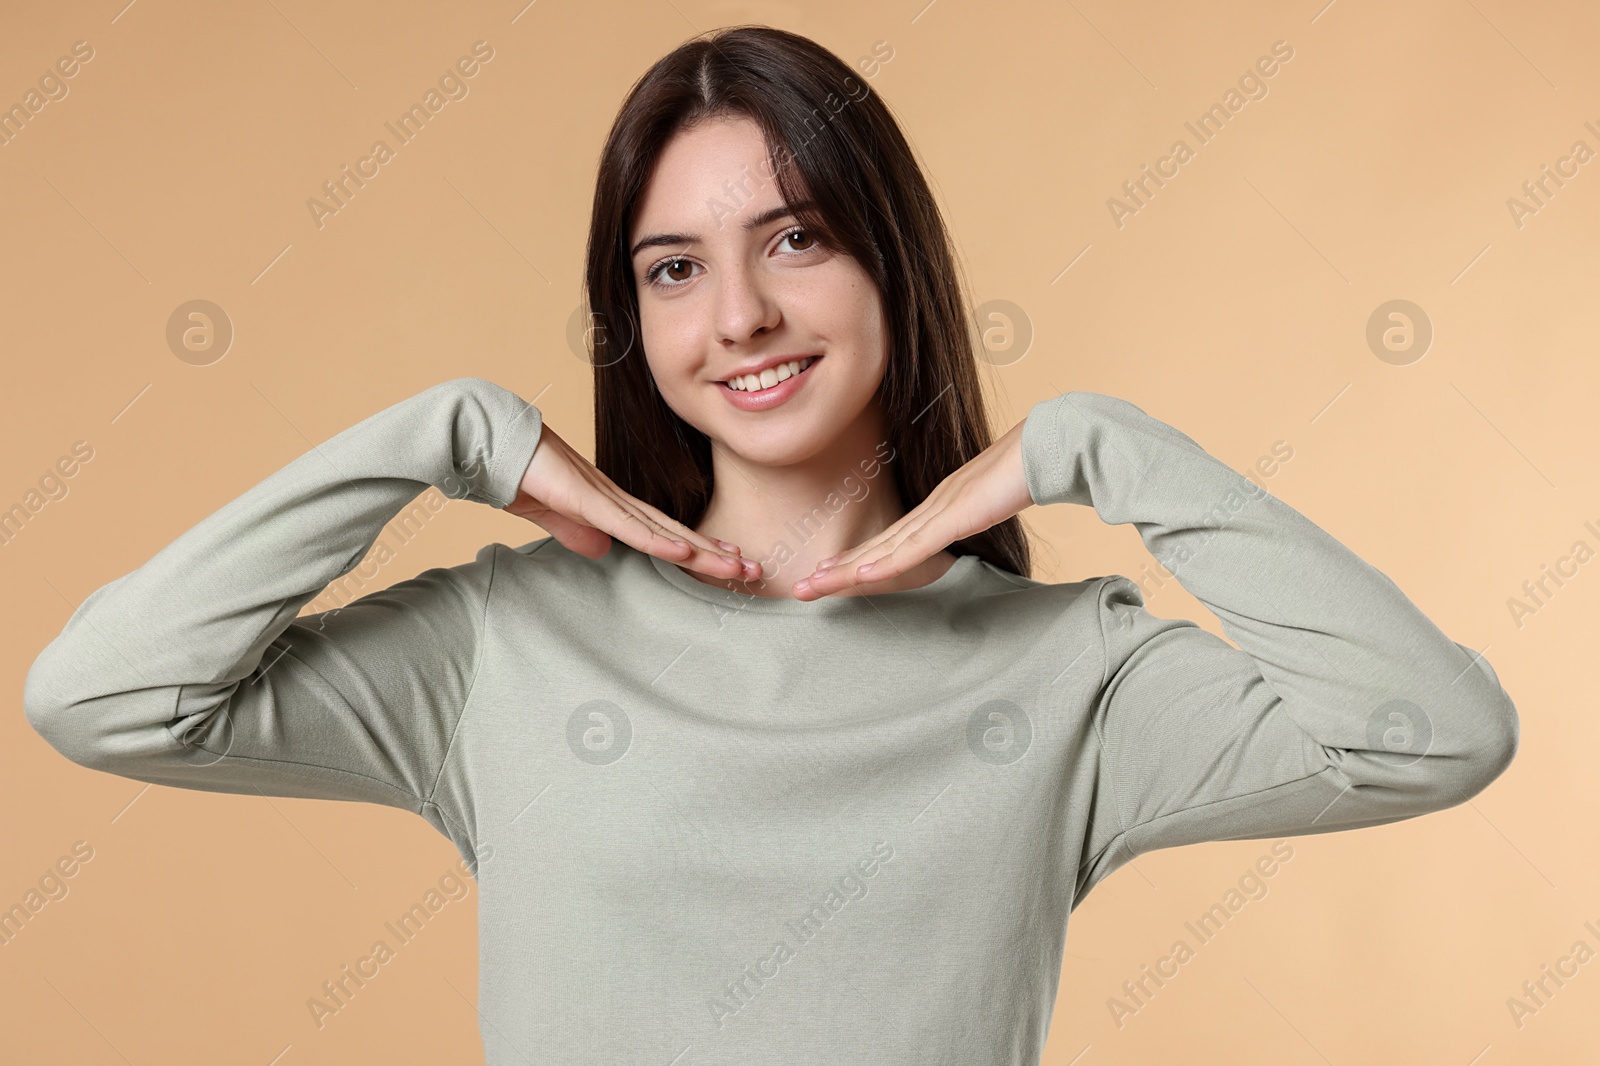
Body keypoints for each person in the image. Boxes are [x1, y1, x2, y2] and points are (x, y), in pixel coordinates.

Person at [24, 24, 1517, 1066]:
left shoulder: (1073, 675)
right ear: (637, 317)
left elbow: (1437, 734)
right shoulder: (505, 642)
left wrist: (1105, 452)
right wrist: (438, 435)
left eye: (794, 239)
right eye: (675, 268)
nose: (736, 314)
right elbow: (102, 696)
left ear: (891, 259)